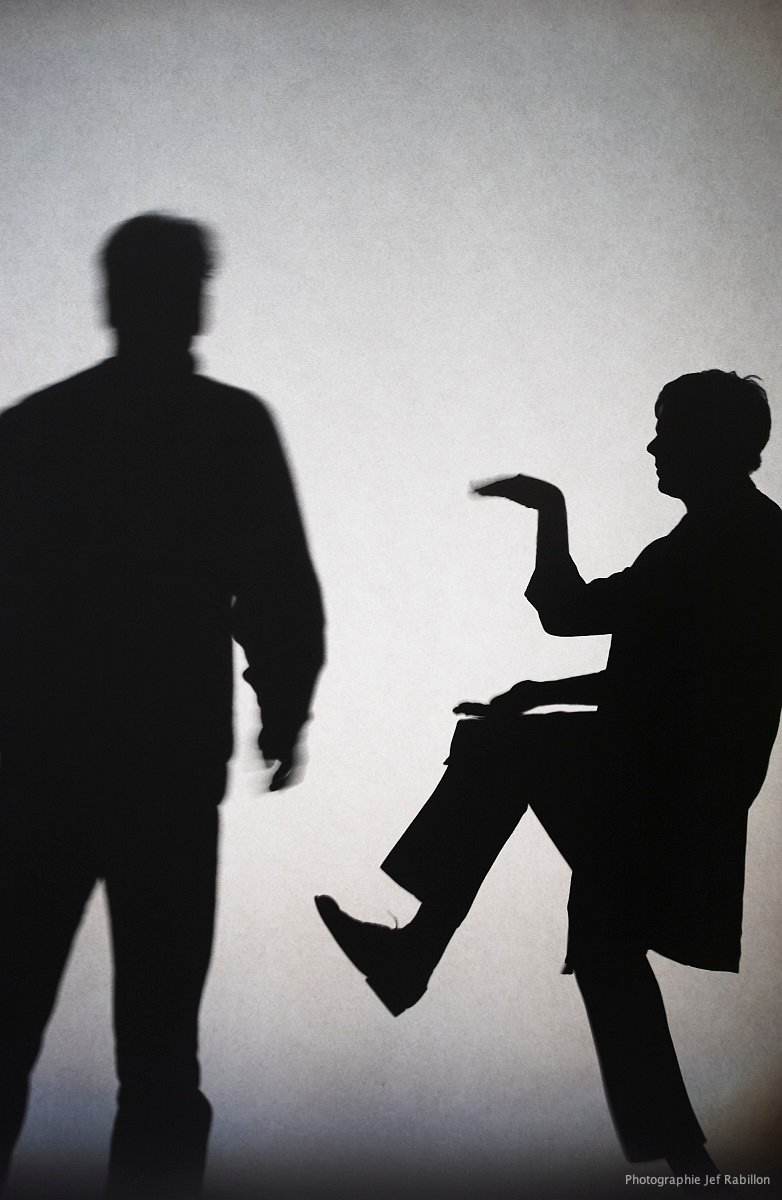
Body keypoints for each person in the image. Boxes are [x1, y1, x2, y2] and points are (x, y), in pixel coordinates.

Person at [316, 370, 782, 1177]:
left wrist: (550, 509)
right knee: (605, 952)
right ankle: (691, 1168)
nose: (654, 445)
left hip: (670, 789)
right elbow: (660, 671)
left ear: (713, 441)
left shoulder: (734, 542)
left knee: (507, 752)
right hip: (670, 781)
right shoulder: (714, 540)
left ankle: (414, 955)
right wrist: (540, 692)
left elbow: (582, 622)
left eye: (669, 429)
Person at [0, 213, 324, 1198]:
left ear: (110, 297)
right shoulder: (229, 426)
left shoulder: (34, 428)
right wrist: (282, 713)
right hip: (166, 771)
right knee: (159, 1055)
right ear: (194, 300)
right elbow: (277, 589)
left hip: (36, 769)